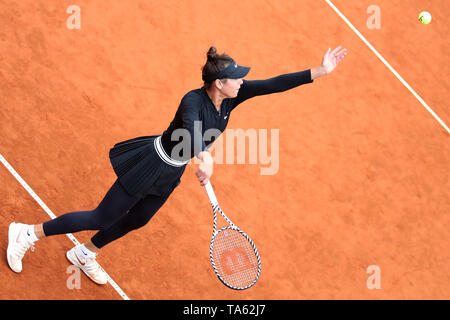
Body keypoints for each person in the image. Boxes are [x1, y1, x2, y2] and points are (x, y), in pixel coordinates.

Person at [7, 46, 347, 285]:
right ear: (219, 83)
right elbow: (192, 128)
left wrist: (320, 71)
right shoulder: (192, 100)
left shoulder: (233, 96)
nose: (243, 81)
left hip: (172, 170)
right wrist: (206, 156)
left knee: (138, 219)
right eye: (237, 77)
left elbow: (275, 83)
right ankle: (27, 232)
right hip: (152, 162)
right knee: (102, 216)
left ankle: (85, 253)